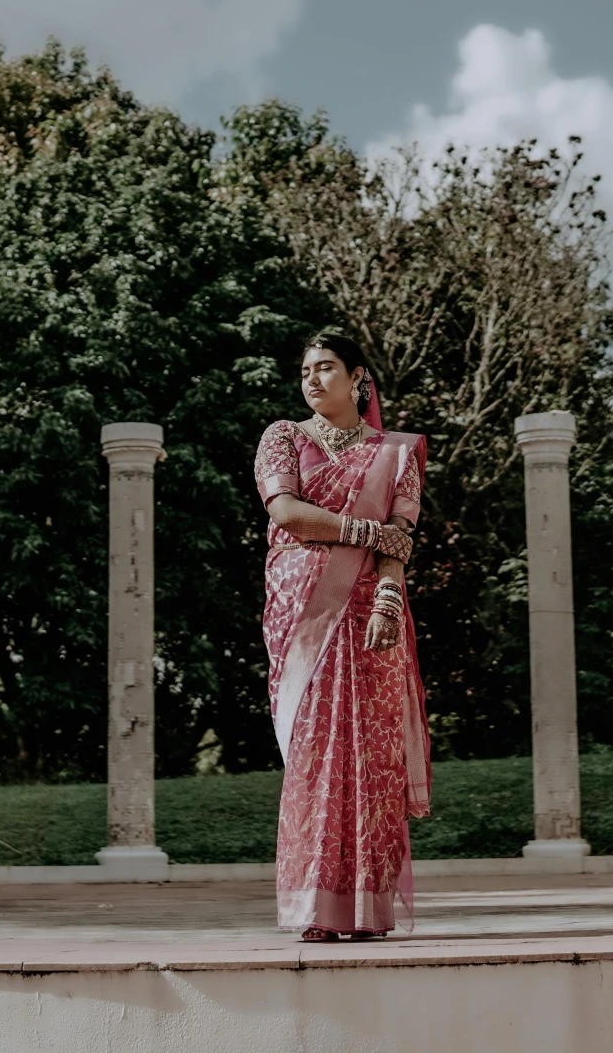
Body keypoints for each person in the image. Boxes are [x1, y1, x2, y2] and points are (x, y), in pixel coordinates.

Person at [254, 331, 431, 940]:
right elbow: (287, 513)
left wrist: (386, 596)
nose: (311, 379)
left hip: (370, 616)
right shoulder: (283, 436)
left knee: (373, 758)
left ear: (358, 378)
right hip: (304, 612)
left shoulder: (396, 454)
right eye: (305, 370)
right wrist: (367, 531)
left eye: (325, 368)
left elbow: (399, 540)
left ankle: (367, 911)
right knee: (315, 754)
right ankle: (314, 909)